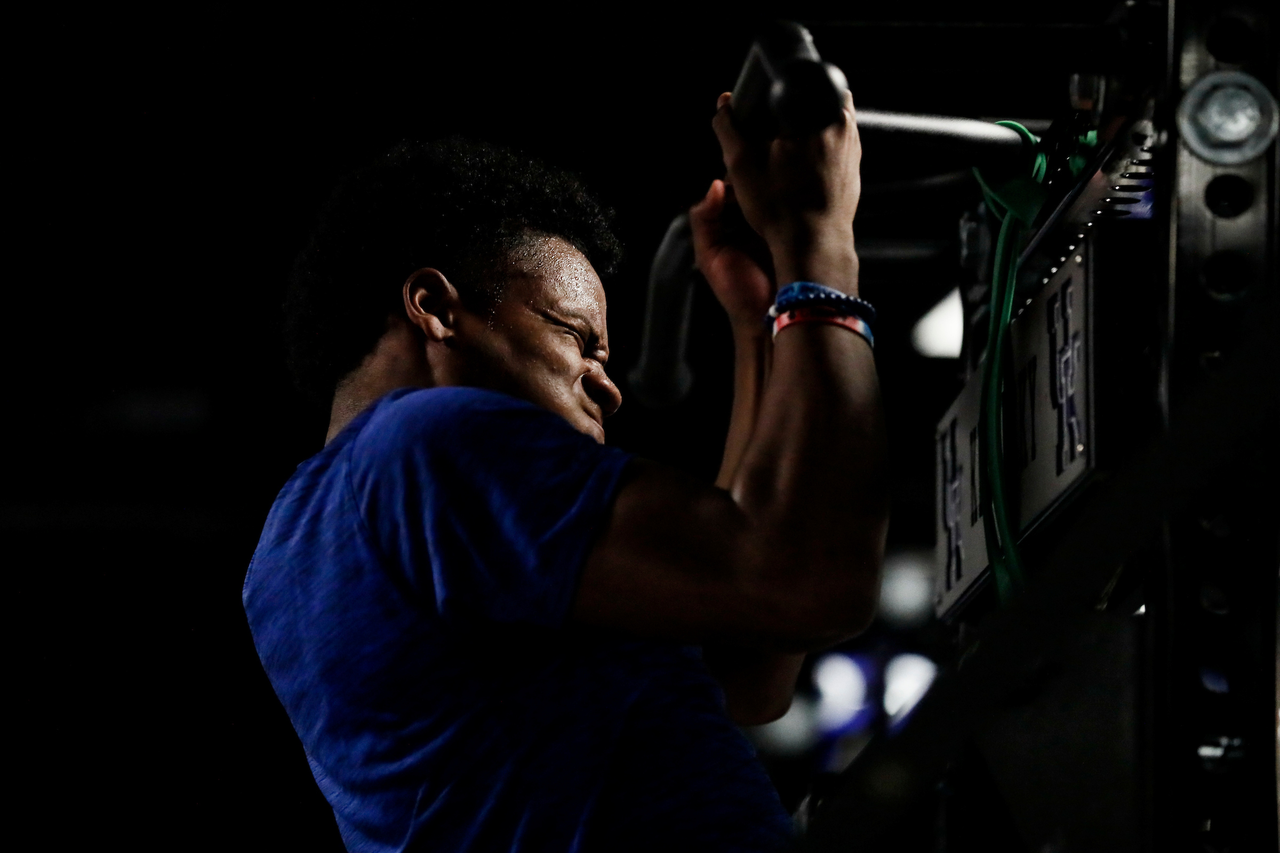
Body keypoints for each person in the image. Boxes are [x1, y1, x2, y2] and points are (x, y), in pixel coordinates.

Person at [244, 89, 887, 852]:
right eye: (578, 337)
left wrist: (759, 325)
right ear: (435, 308)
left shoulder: (291, 546)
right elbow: (805, 578)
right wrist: (818, 242)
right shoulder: (425, 443)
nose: (606, 384)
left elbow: (745, 668)